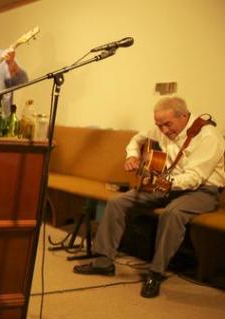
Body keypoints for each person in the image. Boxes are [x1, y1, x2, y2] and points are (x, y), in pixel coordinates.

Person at [74, 96, 225, 298]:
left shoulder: (208, 137)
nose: (162, 130)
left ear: (183, 116)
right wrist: (132, 156)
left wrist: (162, 183)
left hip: (202, 190)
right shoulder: (161, 128)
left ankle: (156, 272)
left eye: (167, 124)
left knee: (172, 213)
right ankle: (103, 262)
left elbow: (194, 178)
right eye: (159, 125)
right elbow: (137, 139)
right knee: (118, 201)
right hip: (168, 185)